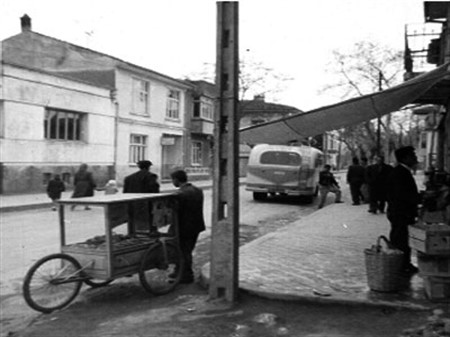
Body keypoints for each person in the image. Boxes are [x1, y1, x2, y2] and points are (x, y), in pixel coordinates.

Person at [386, 146, 420, 274]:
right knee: (400, 239)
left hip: (400, 212)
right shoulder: (400, 173)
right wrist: (420, 198)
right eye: (413, 156)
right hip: (400, 212)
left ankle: (404, 264)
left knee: (403, 239)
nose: (415, 158)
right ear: (405, 158)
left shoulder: (402, 172)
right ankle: (400, 266)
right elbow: (403, 195)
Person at [170, 169, 206, 284]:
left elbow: (176, 212)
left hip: (184, 227)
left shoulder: (180, 194)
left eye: (172, 180)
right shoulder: (198, 190)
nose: (172, 182)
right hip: (196, 225)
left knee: (183, 251)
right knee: (187, 250)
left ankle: (186, 275)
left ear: (176, 180)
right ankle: (179, 271)